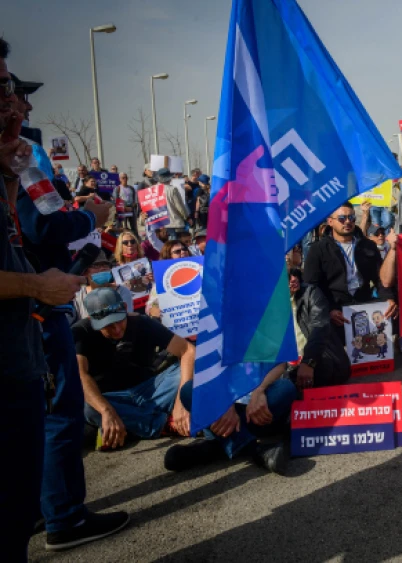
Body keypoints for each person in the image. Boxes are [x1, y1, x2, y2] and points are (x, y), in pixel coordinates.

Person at [1, 38, 127, 559]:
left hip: (32, 305)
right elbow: (42, 222)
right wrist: (89, 218)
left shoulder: (17, 152)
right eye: (10, 92)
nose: (21, 105)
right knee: (58, 414)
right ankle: (63, 515)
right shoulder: (25, 150)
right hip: (31, 307)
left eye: (17, 93)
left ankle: (51, 509)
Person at [74, 288, 195, 450]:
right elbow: (80, 375)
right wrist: (107, 410)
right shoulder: (81, 332)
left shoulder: (141, 322)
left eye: (120, 320)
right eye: (108, 326)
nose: (117, 329)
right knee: (86, 406)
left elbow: (188, 351)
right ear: (91, 319)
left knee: (191, 369)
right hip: (113, 399)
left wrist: (181, 400)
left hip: (152, 391)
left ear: (125, 307)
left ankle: (133, 425)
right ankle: (164, 424)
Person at [163, 361, 296, 475]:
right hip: (222, 408)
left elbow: (280, 364)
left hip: (256, 410)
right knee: (189, 390)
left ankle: (216, 447)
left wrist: (259, 391)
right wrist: (225, 403)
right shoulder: (214, 332)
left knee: (285, 389)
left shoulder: (265, 331)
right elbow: (206, 369)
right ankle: (257, 451)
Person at [303, 202, 397, 331]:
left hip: (363, 302)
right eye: (342, 218)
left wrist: (388, 299)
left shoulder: (367, 245)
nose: (347, 222)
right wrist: (329, 309)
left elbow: (380, 278)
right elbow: (311, 285)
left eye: (351, 218)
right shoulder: (318, 249)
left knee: (394, 313)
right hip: (336, 307)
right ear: (330, 221)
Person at [287, 268, 350, 389]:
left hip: (314, 358)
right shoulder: (266, 305)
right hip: (283, 366)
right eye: (287, 277)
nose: (294, 279)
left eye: (294, 274)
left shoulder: (310, 293)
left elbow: (319, 328)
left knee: (323, 369)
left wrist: (308, 362)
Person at [69, 252, 134, 323]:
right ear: (85, 272)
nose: (102, 268)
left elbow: (126, 320)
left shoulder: (122, 291)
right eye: (96, 265)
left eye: (105, 265)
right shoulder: (78, 295)